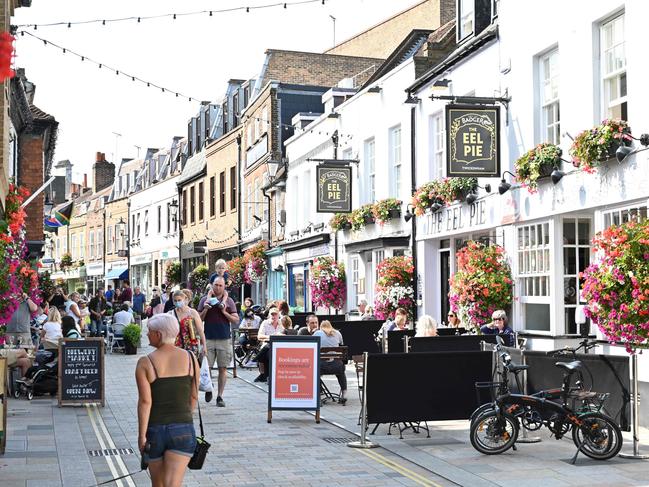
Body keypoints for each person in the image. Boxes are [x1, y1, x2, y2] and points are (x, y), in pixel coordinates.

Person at [135, 313, 199, 487]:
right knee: (173, 484)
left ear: (159, 334)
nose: (147, 334)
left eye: (149, 331)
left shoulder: (145, 363)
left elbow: (145, 402)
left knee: (158, 484)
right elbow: (194, 396)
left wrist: (141, 436)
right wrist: (184, 418)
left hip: (155, 430)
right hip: (183, 428)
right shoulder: (191, 359)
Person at [197, 277, 238, 407]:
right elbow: (198, 319)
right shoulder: (204, 299)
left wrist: (224, 311)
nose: (218, 287)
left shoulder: (229, 301)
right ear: (211, 285)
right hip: (208, 338)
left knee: (223, 368)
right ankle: (209, 387)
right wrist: (206, 309)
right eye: (216, 285)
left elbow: (235, 320)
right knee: (206, 367)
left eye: (221, 285)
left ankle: (220, 396)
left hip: (224, 339)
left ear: (224, 286)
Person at [169, 290, 209, 392]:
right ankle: (184, 392)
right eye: (175, 300)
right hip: (177, 346)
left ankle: (192, 391)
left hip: (191, 346)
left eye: (179, 300)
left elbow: (200, 331)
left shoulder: (192, 312)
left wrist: (204, 346)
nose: (177, 302)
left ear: (185, 299)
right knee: (179, 370)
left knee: (191, 370)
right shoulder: (171, 313)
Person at [314, 320, 347, 404]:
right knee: (341, 371)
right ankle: (344, 393)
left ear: (321, 327)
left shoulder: (317, 333)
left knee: (315, 373)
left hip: (322, 367)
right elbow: (341, 344)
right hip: (336, 367)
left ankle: (318, 395)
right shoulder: (337, 333)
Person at [254, 307, 283, 382]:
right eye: (272, 314)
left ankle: (266, 374)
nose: (273, 316)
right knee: (268, 351)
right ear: (269, 315)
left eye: (275, 314)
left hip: (280, 345)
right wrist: (271, 337)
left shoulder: (282, 323)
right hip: (268, 344)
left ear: (278, 315)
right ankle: (267, 374)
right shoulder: (265, 323)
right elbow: (259, 336)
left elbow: (288, 332)